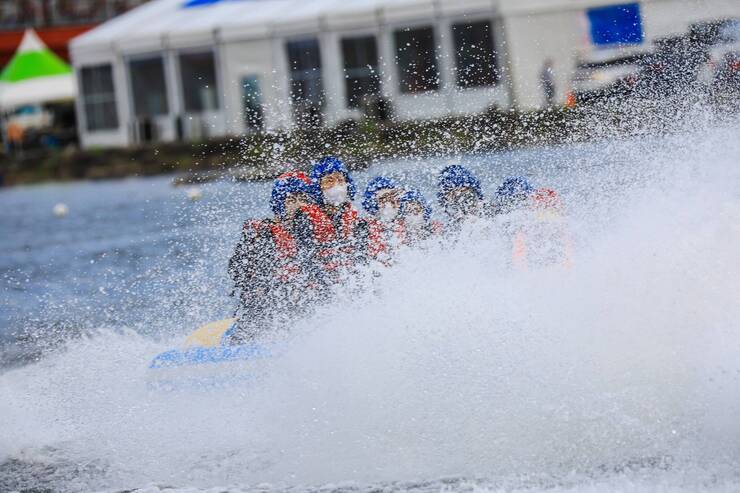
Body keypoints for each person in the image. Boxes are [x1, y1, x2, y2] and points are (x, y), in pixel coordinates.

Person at [228, 171, 326, 342]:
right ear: (280, 203)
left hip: (304, 308)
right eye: (291, 200)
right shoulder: (262, 233)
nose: (298, 205)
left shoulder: (313, 234)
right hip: (265, 308)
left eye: (303, 199)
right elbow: (237, 271)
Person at [310, 156, 366, 268]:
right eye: (329, 180)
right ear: (318, 186)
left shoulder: (359, 223)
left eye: (340, 180)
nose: (336, 185)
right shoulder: (306, 220)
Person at [513, 187, 574, 269]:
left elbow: (518, 255)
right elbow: (569, 253)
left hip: (536, 232)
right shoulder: (560, 222)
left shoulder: (528, 222)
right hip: (552, 231)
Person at [362, 176, 404, 261]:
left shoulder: (405, 227)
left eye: (392, 199)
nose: (388, 204)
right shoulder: (363, 228)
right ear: (373, 204)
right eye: (383, 200)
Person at [437, 165, 487, 231]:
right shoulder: (444, 229)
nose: (459, 195)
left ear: (474, 191)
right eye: (453, 192)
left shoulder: (492, 215)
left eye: (463, 190)